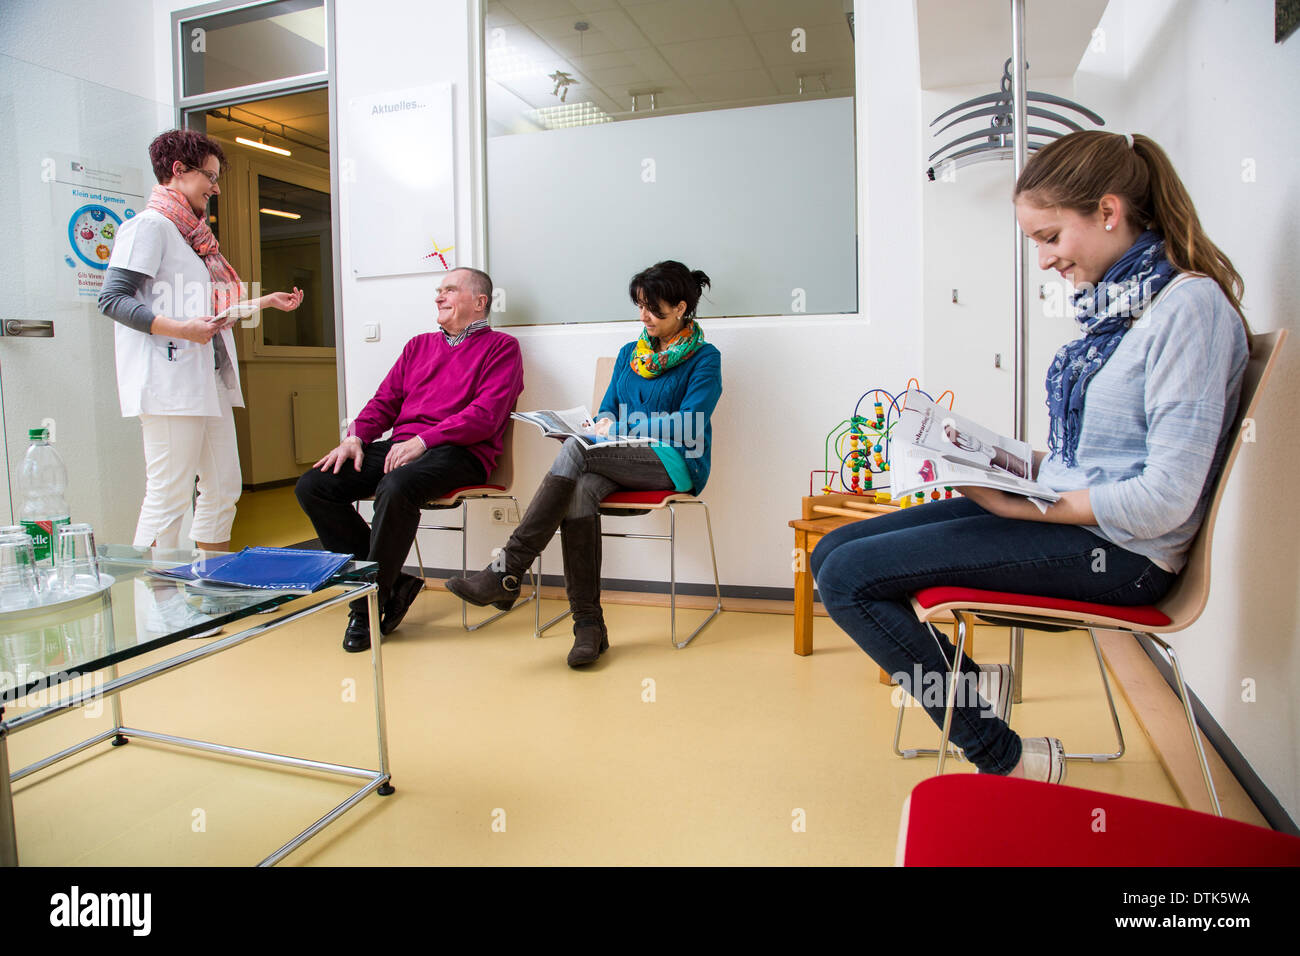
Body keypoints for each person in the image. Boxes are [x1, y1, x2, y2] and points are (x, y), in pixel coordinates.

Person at [811, 131, 1249, 783]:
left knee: (849, 579)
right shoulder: (1123, 311)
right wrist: (995, 460)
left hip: (1123, 553)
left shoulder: (1188, 311)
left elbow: (1166, 498)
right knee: (827, 555)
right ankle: (964, 685)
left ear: (1107, 212)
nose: (1043, 260)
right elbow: (1096, 457)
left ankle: (1005, 758)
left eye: (1049, 236)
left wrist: (1028, 502)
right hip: (1076, 516)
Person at [447, 260, 722, 668]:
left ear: (681, 308)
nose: (643, 316)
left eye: (653, 308)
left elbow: (690, 424)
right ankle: (588, 625)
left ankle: (508, 570)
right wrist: (601, 424)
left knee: (576, 450)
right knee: (578, 490)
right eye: (640, 306)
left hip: (675, 463)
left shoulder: (705, 358)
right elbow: (607, 410)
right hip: (618, 458)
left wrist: (622, 425)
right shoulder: (630, 354)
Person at [295, 268, 523, 652]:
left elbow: (485, 415)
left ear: (480, 302)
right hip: (405, 447)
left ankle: (368, 605)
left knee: (397, 484)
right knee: (315, 485)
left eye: (450, 290)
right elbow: (384, 401)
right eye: (438, 290)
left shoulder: (502, 348)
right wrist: (356, 437)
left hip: (463, 453)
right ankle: (393, 583)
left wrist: (425, 439)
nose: (439, 296)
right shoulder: (418, 346)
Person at [99, 129, 303, 553]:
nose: (215, 186)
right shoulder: (149, 228)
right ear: (179, 171)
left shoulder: (193, 239)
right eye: (209, 176)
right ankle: (158, 611)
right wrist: (180, 330)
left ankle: (210, 590)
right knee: (168, 498)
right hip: (169, 383)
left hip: (206, 381)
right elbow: (112, 300)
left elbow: (207, 313)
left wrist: (263, 302)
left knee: (224, 487)